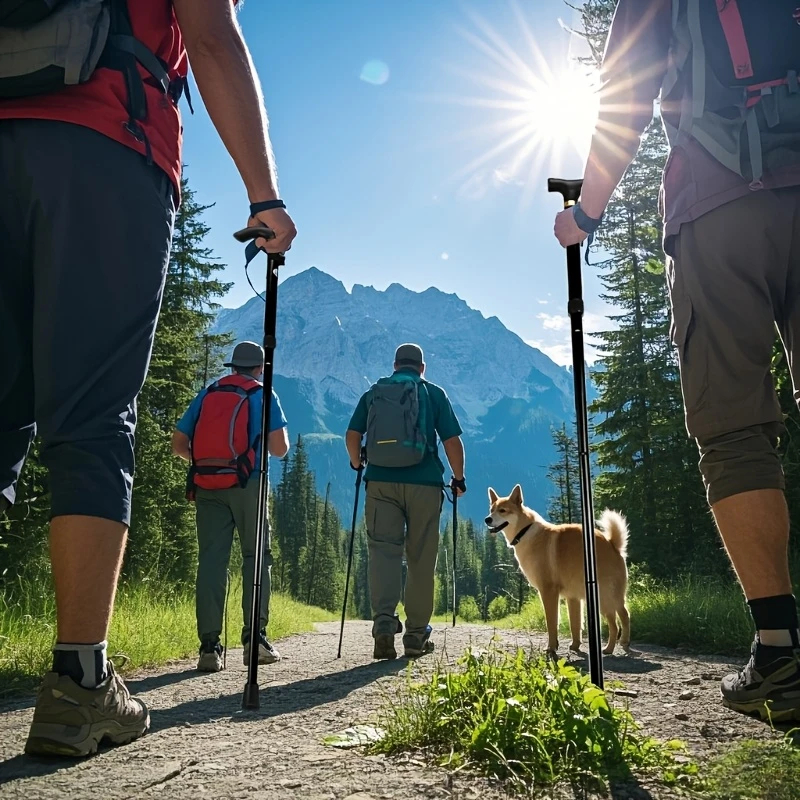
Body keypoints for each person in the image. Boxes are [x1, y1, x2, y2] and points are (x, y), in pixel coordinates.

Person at [0, 0, 297, 757]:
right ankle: (79, 684)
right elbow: (210, 34)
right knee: (92, 418)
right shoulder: (257, 394)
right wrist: (264, 196)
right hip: (107, 142)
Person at [553, 1, 800, 721]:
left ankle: (781, 654)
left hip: (718, 204)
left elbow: (625, 100)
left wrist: (586, 216)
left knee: (734, 429)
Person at [172, 341, 289, 673]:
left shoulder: (209, 393)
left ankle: (209, 647)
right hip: (247, 484)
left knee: (211, 562)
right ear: (259, 368)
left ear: (232, 366)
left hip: (207, 486)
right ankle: (255, 640)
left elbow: (178, 444)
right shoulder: (262, 394)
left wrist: (209, 465)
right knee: (256, 559)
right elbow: (280, 449)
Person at [345, 343, 466, 660]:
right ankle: (415, 636)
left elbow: (352, 434)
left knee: (383, 554)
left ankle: (384, 628)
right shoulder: (433, 393)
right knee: (421, 558)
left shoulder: (375, 392)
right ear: (422, 368)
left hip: (380, 484)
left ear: (395, 365)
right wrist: (459, 478)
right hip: (424, 484)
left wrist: (357, 462)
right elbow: (452, 440)